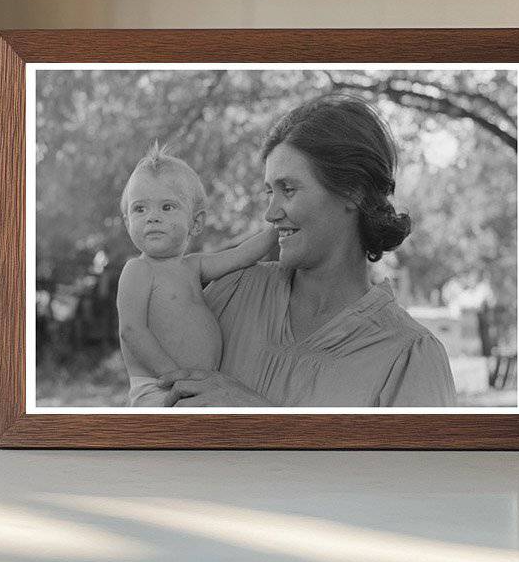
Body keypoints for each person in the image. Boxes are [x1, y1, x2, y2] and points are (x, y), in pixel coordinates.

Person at [158, 95, 457, 408]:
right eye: (268, 192)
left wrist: (260, 417)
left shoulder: (409, 356)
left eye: (288, 189)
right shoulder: (233, 293)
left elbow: (417, 460)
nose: (270, 213)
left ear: (352, 190)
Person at [116, 144, 278, 406]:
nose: (152, 218)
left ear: (196, 222)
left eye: (167, 207)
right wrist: (174, 377)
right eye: (139, 209)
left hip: (194, 388)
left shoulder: (193, 266)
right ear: (127, 222)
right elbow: (131, 330)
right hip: (158, 389)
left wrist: (275, 230)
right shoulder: (138, 270)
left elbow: (242, 255)